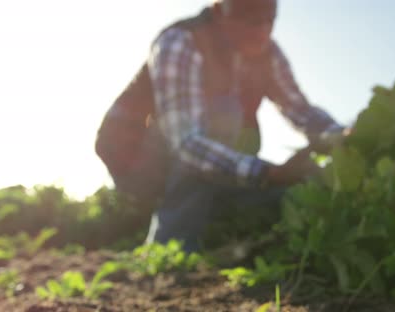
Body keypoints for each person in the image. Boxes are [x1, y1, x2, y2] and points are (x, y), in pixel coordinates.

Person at [98, 0, 351, 253]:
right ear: (220, 12)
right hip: (134, 159)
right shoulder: (181, 41)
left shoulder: (269, 54)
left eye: (269, 20)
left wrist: (342, 137)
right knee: (225, 115)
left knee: (284, 188)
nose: (263, 30)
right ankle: (171, 247)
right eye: (251, 19)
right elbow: (187, 142)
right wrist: (267, 174)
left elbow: (301, 111)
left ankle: (218, 231)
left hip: (210, 158)